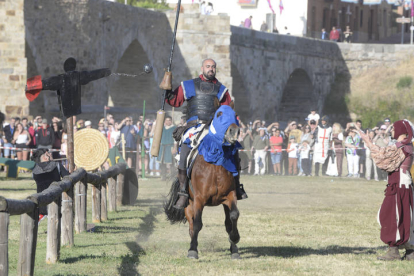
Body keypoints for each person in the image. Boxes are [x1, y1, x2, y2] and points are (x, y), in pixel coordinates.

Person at [165, 58, 247, 209]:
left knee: (233, 150)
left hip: (213, 128)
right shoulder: (188, 85)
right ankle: (183, 192)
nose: (211, 69)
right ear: (202, 68)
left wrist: (234, 127)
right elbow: (174, 101)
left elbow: (228, 111)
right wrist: (168, 89)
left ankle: (236, 185)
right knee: (184, 153)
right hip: (193, 127)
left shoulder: (222, 90)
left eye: (213, 67)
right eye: (208, 66)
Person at [356, 120, 414, 261]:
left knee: (392, 217)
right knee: (404, 217)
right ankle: (410, 251)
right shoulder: (403, 146)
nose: (391, 130)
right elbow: (385, 154)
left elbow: (383, 159)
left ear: (402, 130)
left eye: (394, 128)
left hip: (400, 185)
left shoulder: (404, 147)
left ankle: (394, 251)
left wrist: (369, 143)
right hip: (399, 184)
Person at [32, 149, 69, 222]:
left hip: (41, 203)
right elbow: (67, 178)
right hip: (57, 201)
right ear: (46, 156)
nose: (50, 154)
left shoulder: (34, 169)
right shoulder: (57, 165)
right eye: (48, 153)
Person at [156, 116, 176, 180]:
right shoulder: (162, 128)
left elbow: (176, 139)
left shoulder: (174, 128)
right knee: (162, 163)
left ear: (171, 121)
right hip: (162, 147)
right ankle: (163, 176)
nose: (168, 122)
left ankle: (172, 176)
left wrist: (175, 148)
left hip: (170, 146)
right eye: (166, 120)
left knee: (171, 163)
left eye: (169, 120)